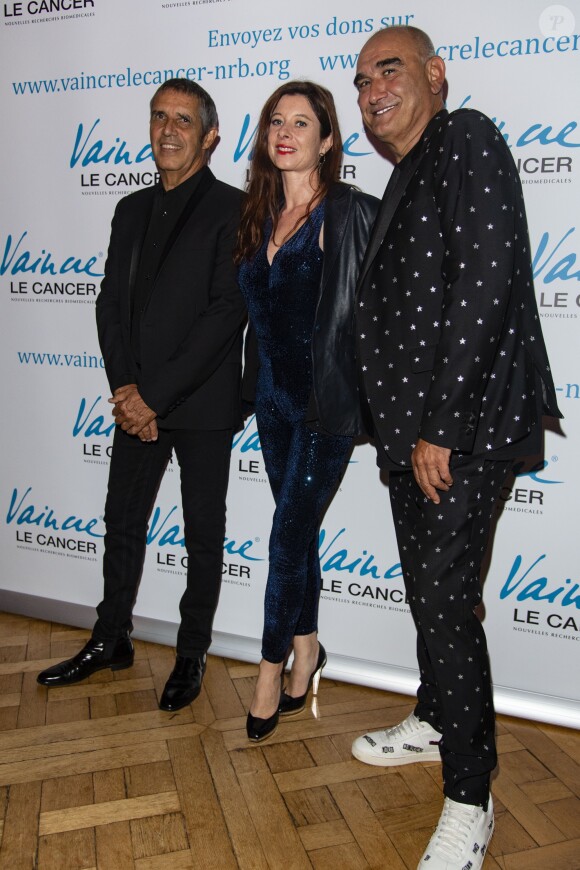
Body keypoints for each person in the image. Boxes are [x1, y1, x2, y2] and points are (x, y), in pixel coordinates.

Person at [349, 25, 562, 870]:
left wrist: (439, 423)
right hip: (417, 435)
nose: (372, 91)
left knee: (440, 602)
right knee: (434, 598)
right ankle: (437, 718)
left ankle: (470, 802)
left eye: (389, 71)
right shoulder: (408, 171)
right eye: (362, 80)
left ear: (436, 75)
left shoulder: (465, 136)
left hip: (459, 432)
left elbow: (486, 279)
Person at [37, 79, 246, 712]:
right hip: (136, 404)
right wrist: (126, 389)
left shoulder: (234, 209)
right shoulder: (129, 209)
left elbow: (224, 314)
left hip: (203, 406)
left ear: (209, 136)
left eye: (183, 119)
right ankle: (111, 639)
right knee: (122, 522)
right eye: (159, 117)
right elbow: (110, 304)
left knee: (203, 538)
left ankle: (190, 654)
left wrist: (153, 395)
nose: (168, 129)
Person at [236, 81, 379, 742]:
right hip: (272, 405)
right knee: (300, 537)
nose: (285, 132)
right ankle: (308, 648)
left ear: (326, 140)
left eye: (302, 122)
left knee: (286, 538)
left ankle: (269, 672)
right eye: (275, 122)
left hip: (324, 412)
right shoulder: (259, 213)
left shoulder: (346, 213)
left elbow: (382, 310)